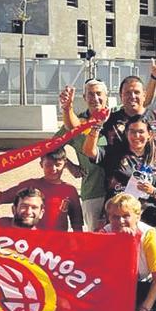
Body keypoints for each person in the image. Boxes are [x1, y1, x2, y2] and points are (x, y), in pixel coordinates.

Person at [84, 115, 156, 226]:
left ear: (149, 135)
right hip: (117, 219)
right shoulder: (115, 154)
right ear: (126, 134)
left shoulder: (155, 161)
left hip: (147, 220)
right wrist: (95, 130)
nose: (136, 136)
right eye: (132, 132)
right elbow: (90, 152)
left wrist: (153, 191)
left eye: (141, 132)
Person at [0, 148, 84, 232]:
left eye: (58, 165)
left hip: (57, 245)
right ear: (41, 164)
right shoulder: (30, 185)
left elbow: (77, 223)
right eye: (48, 165)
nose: (53, 169)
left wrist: (78, 244)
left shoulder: (70, 190)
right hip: (31, 241)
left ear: (64, 165)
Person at [58, 79, 109, 230]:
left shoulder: (118, 117)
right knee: (96, 239)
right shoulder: (77, 121)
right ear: (85, 97)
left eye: (99, 94)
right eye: (91, 94)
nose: (95, 98)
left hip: (121, 187)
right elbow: (52, 147)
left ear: (106, 95)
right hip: (93, 191)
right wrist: (69, 165)